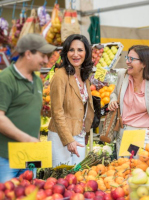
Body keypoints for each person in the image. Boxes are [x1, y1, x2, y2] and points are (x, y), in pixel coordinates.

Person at [0, 33, 56, 183]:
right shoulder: (6, 79)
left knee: (29, 194)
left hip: (30, 156)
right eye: (42, 55)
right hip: (6, 157)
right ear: (28, 54)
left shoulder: (37, 81)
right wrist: (26, 139)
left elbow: (34, 116)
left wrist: (35, 148)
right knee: (7, 194)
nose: (46, 60)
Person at [48, 34, 94, 167]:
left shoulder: (84, 76)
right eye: (71, 50)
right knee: (62, 180)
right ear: (66, 53)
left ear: (86, 52)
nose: (76, 54)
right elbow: (57, 111)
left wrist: (85, 131)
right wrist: (68, 140)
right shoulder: (60, 76)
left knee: (77, 178)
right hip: (61, 136)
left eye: (80, 50)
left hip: (79, 134)